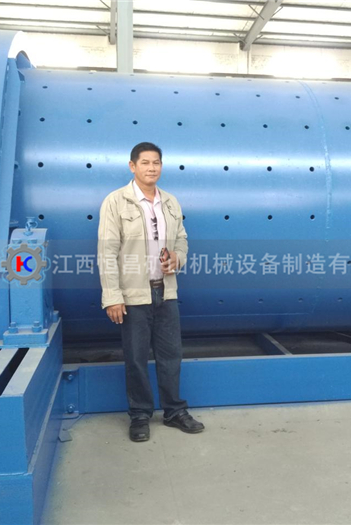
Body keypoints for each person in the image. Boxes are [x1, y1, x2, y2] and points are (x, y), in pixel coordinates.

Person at [97, 142, 205, 442]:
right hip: (134, 296)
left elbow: (182, 239)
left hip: (165, 292)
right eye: (145, 162)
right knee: (136, 359)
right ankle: (140, 415)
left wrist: (177, 258)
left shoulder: (170, 202)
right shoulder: (116, 202)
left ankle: (174, 411)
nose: (151, 168)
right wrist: (113, 296)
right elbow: (107, 252)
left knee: (171, 356)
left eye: (156, 162)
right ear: (132, 166)